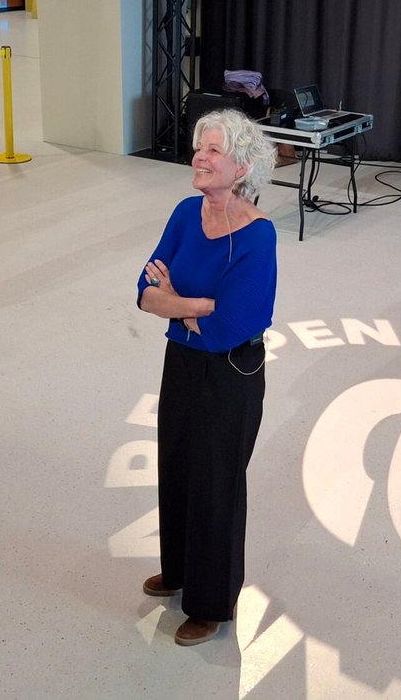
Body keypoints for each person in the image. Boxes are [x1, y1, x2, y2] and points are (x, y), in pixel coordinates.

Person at [137, 108, 278, 647]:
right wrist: (194, 306)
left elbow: (230, 326)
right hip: (182, 359)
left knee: (216, 482)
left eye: (213, 150)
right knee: (175, 465)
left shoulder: (258, 235)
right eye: (200, 147)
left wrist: (176, 302)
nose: (200, 156)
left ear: (241, 167)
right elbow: (143, 291)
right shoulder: (183, 213)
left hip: (232, 371)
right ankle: (177, 571)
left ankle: (211, 602)